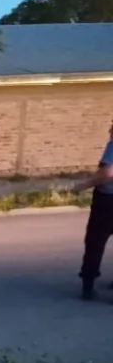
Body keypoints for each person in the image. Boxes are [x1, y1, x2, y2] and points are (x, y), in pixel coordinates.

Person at [75, 118, 113, 300]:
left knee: (95, 242)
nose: (110, 128)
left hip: (107, 201)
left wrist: (83, 185)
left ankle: (88, 284)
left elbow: (108, 173)